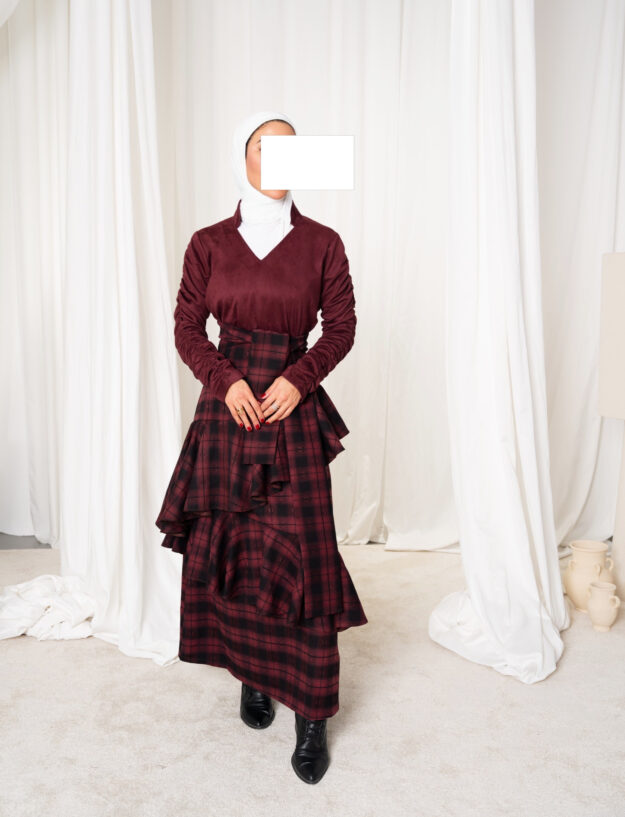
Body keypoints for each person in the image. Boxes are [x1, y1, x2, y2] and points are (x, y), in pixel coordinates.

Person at [155, 110, 368, 784]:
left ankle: (312, 714)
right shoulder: (208, 243)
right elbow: (187, 327)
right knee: (237, 549)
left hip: (289, 407)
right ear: (242, 157)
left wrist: (299, 381)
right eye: (264, 148)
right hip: (228, 411)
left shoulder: (324, 242)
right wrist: (224, 382)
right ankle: (252, 673)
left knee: (306, 555)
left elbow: (342, 327)